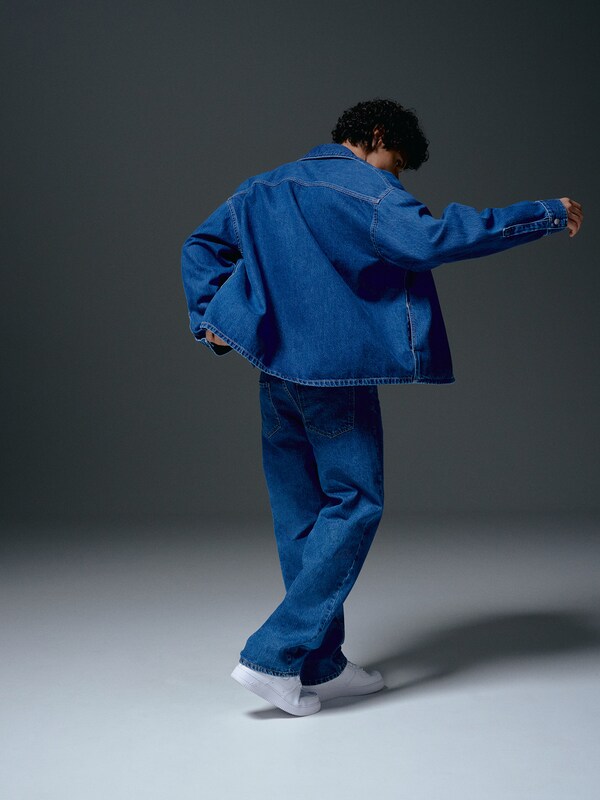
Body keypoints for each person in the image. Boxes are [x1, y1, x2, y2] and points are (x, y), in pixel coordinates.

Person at [180, 98, 583, 716]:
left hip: (275, 374)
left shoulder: (262, 188)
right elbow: (434, 237)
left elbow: (201, 246)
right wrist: (545, 215)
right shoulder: (366, 191)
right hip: (335, 375)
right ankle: (273, 657)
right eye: (395, 164)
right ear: (374, 137)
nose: (394, 178)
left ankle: (321, 663)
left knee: (301, 516)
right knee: (354, 503)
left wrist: (211, 318)